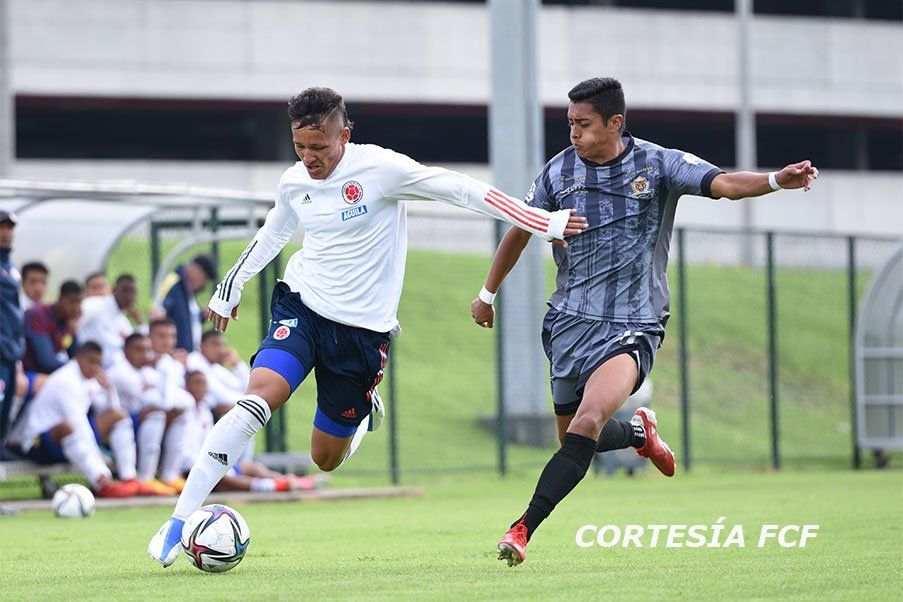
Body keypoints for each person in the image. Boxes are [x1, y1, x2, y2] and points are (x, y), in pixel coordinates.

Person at [148, 86, 588, 566]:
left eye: (320, 147)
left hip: (360, 334)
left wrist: (542, 220)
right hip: (303, 305)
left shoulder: (383, 170)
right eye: (300, 148)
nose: (309, 158)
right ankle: (176, 523)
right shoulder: (295, 181)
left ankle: (361, 414)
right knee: (258, 398)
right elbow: (274, 231)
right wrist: (229, 288)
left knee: (325, 458)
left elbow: (461, 189)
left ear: (345, 135)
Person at [469, 77, 819, 567]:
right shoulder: (558, 171)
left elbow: (724, 185)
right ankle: (638, 433)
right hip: (569, 323)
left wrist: (776, 180)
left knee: (587, 422)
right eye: (569, 123)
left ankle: (522, 528)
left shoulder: (657, 164)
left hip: (633, 323)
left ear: (615, 123)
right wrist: (487, 294)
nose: (573, 133)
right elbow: (522, 229)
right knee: (574, 436)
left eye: (584, 124)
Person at [5, 343, 141, 498]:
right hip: (33, 443)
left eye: (99, 364)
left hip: (67, 440)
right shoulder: (66, 381)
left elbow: (109, 408)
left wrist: (109, 389)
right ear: (79, 358)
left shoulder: (88, 378)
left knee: (119, 416)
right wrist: (100, 469)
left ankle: (129, 478)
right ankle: (101, 482)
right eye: (91, 362)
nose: (95, 368)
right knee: (68, 427)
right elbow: (79, 424)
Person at [182, 371, 324, 493]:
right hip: (190, 469)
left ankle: (294, 481)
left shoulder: (205, 411)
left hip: (210, 464)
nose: (202, 388)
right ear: (187, 386)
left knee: (252, 468)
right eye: (197, 383)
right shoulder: (185, 411)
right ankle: (274, 486)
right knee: (223, 477)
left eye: (204, 384)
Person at [107, 333, 179, 496]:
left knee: (176, 415)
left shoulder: (146, 371)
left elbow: (167, 397)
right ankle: (143, 479)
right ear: (126, 351)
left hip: (135, 421)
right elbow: (160, 401)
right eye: (138, 350)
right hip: (114, 426)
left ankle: (170, 474)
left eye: (147, 350)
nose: (144, 355)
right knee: (156, 414)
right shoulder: (119, 371)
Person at [146, 318, 194, 492]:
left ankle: (171, 474)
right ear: (149, 337)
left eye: (171, 337)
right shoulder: (141, 359)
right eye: (161, 336)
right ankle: (146, 477)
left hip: (169, 417)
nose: (167, 342)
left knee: (184, 413)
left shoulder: (175, 363)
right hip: (140, 417)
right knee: (156, 416)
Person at [80, 274, 144, 367]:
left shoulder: (123, 319)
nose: (129, 296)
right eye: (125, 291)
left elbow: (138, 346)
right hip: (90, 366)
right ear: (113, 290)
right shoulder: (95, 305)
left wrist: (140, 324)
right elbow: (71, 325)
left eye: (133, 292)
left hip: (117, 367)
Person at [157, 254, 217, 352]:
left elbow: (184, 320)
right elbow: (161, 313)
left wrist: (202, 316)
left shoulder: (187, 292)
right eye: (205, 279)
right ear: (198, 271)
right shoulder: (174, 282)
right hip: (175, 355)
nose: (203, 285)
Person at [22, 280, 83, 374]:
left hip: (44, 374)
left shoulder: (67, 321)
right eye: (72, 301)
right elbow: (46, 361)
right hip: (24, 372)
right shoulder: (39, 315)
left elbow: (76, 356)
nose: (76, 307)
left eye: (79, 302)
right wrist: (81, 368)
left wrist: (73, 333)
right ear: (60, 299)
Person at [0, 210, 24, 441]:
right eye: (1, 227)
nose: (6, 233)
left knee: (4, 418)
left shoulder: (11, 268)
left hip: (10, 355)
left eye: (9, 228)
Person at [187, 330, 250, 417]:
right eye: (215, 345)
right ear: (201, 345)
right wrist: (247, 402)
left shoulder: (215, 367)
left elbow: (248, 389)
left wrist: (237, 364)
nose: (220, 350)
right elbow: (222, 398)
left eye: (222, 345)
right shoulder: (194, 361)